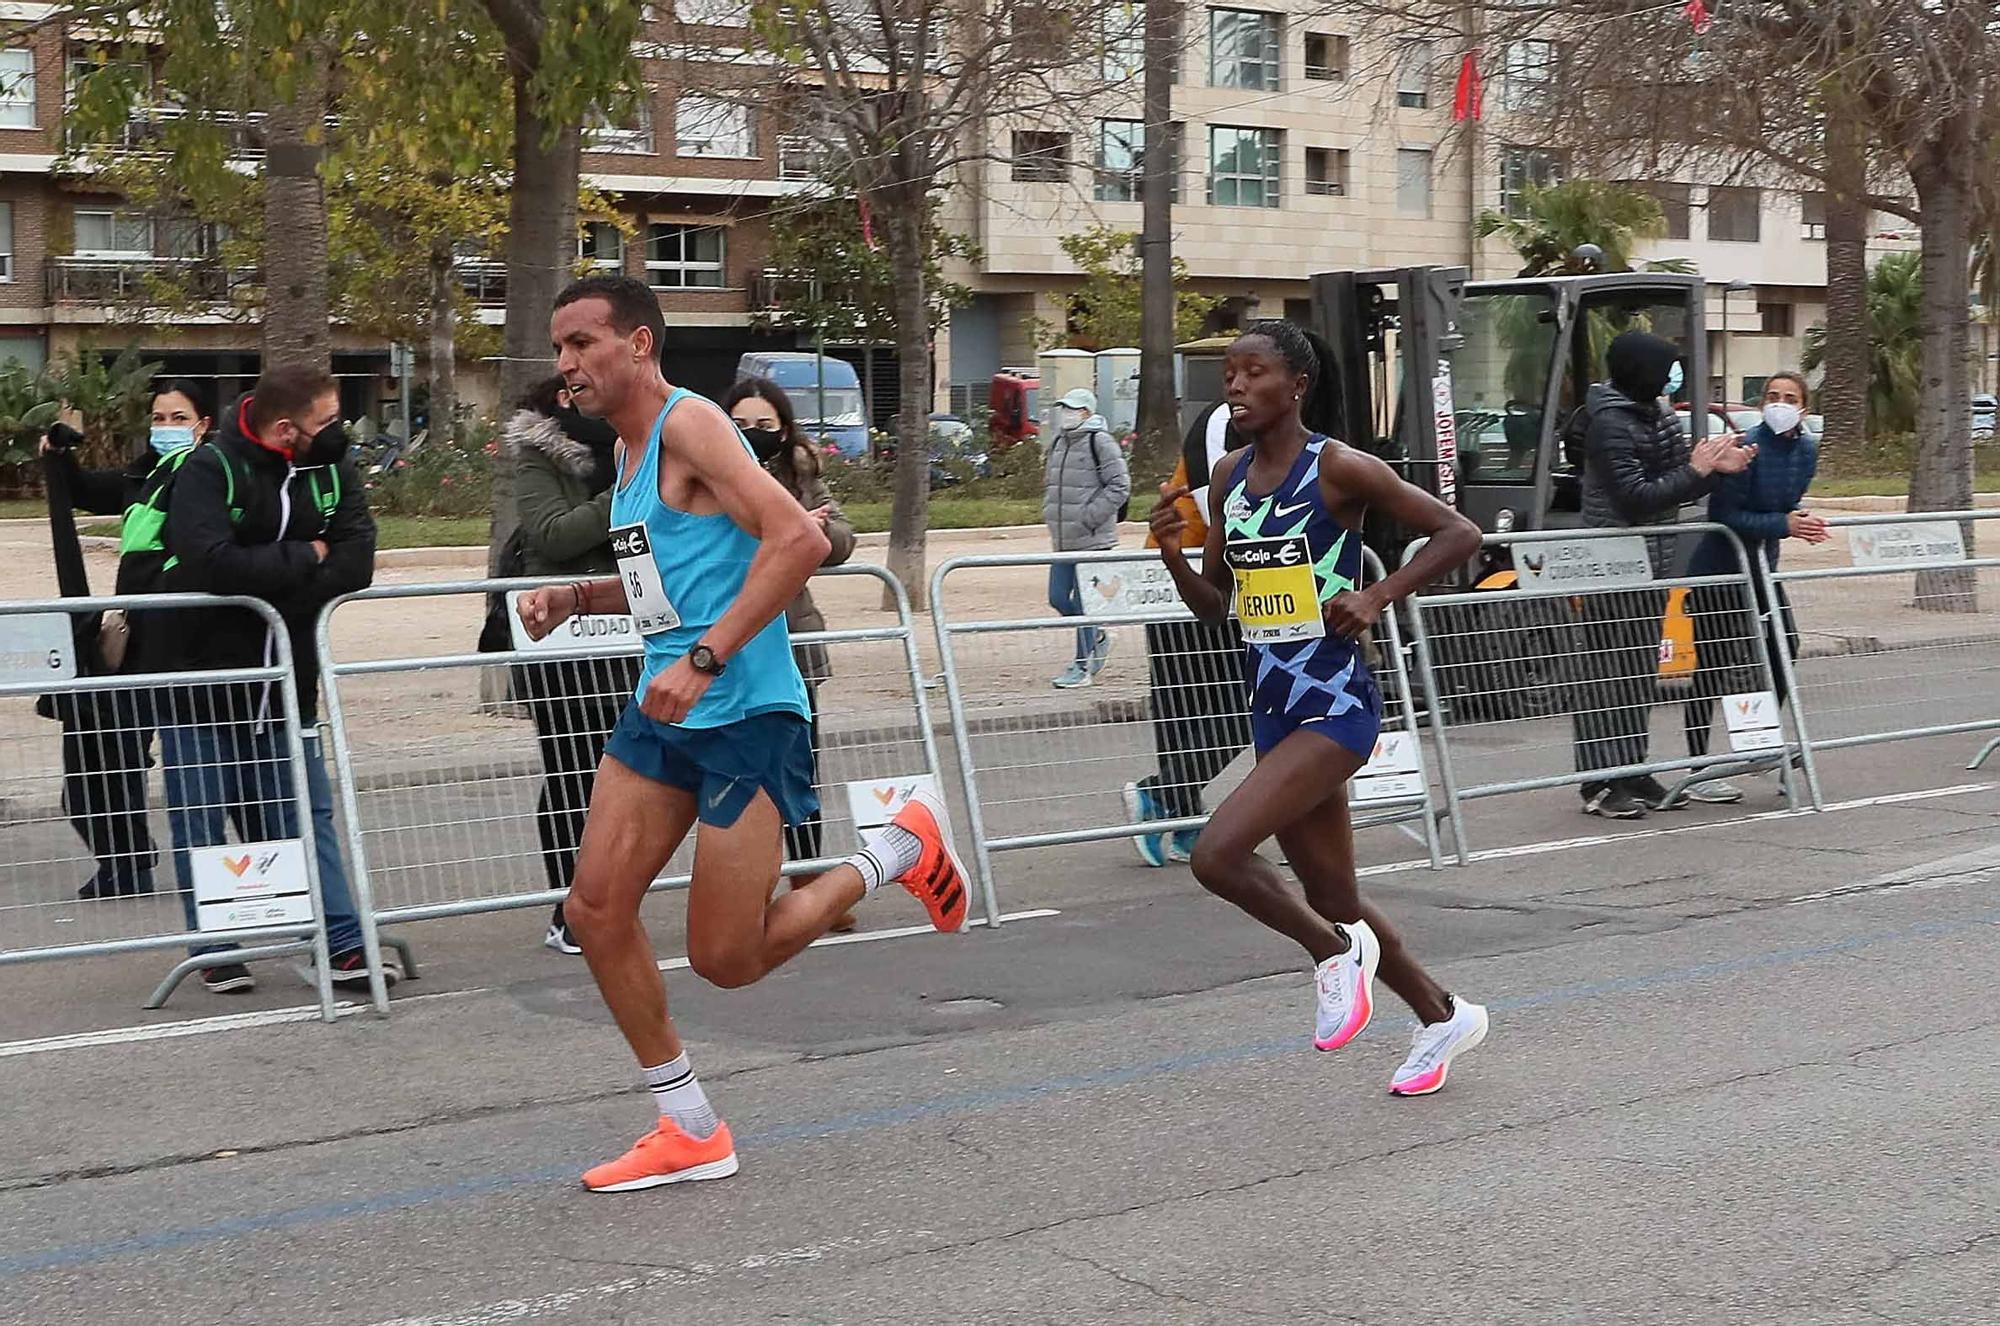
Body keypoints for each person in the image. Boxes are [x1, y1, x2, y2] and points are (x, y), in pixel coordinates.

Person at [515, 275, 970, 1192]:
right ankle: (688, 1126)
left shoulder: (691, 425)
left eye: (581, 344)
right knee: (595, 910)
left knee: (728, 958)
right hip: (665, 712)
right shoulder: (634, 453)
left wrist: (708, 660)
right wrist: (581, 596)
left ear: (639, 344)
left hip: (745, 713)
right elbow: (675, 583)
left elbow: (797, 541)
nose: (565, 366)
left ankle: (896, 849)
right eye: (559, 350)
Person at [1149, 319, 1490, 1097]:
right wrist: (1172, 554)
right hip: (1272, 708)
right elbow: (1218, 608)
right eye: (1228, 373)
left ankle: (1335, 955)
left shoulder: (1338, 467)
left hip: (1334, 707)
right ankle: (1441, 1015)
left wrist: (1376, 593)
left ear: (1295, 386)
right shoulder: (1230, 478)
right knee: (1334, 894)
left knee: (1216, 856)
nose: (1233, 386)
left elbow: (1458, 531)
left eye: (1252, 372)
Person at [155, 366, 397, 995]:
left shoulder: (331, 469)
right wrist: (304, 557)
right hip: (198, 675)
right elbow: (209, 562)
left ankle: (341, 942)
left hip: (291, 676)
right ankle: (215, 947)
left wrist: (278, 577)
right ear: (287, 430)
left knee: (307, 810)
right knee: (200, 816)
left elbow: (357, 558)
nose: (338, 433)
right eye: (326, 422)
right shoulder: (209, 468)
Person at [35, 381, 212, 899]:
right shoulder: (145, 476)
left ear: (202, 427)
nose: (166, 428)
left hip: (186, 643)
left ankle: (236, 883)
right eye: (159, 418)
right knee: (96, 753)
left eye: (179, 418)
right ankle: (124, 858)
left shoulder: (209, 478)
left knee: (204, 769)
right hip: (133, 641)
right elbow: (88, 492)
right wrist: (59, 457)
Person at [1569, 331, 1755, 821]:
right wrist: (1696, 471)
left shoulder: (1660, 415)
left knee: (1637, 674)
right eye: (1665, 367)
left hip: (1653, 562)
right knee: (1606, 675)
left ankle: (1632, 767)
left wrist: (1719, 468)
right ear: (1638, 369)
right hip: (1613, 563)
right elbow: (1636, 496)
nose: (1672, 375)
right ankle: (1598, 780)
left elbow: (1679, 482)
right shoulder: (1607, 422)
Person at [508, 373, 642, 956]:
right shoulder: (540, 457)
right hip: (558, 637)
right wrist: (620, 499)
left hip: (624, 630)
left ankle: (610, 896)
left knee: (621, 771)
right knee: (569, 769)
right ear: (561, 402)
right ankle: (569, 904)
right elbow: (554, 535)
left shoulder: (630, 450)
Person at [722, 374, 859, 933]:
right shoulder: (711, 478)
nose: (753, 435)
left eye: (765, 426)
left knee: (800, 771)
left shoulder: (801, 474)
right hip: (730, 647)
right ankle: (744, 893)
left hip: (794, 642)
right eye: (741, 425)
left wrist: (806, 532)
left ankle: (811, 889)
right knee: (741, 778)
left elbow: (841, 539)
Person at [1680, 370, 1825, 801]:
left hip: (1762, 568)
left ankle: (1763, 746)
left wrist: (1802, 520)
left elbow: (1787, 502)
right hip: (1720, 569)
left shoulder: (1807, 449)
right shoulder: (1746, 446)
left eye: (1789, 396)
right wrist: (1784, 524)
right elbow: (1725, 515)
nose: (1780, 402)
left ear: (1804, 407)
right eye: (1773, 395)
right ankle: (1698, 767)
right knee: (1713, 666)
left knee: (1785, 648)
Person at [1122, 400, 1252, 867]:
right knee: (1241, 704)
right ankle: (1164, 795)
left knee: (1191, 711)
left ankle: (1182, 822)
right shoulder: (1221, 422)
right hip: (1191, 575)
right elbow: (1219, 509)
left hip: (1208, 580)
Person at [1041, 387, 1130, 689]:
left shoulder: (1100, 442)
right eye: (1064, 407)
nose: (1067, 413)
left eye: (1073, 408)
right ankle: (1097, 636)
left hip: (1093, 540)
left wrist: (1089, 516)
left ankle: (1082, 666)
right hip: (1063, 542)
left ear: (1088, 413)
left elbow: (1119, 485)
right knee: (1057, 597)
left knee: (1084, 603)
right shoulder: (1058, 442)